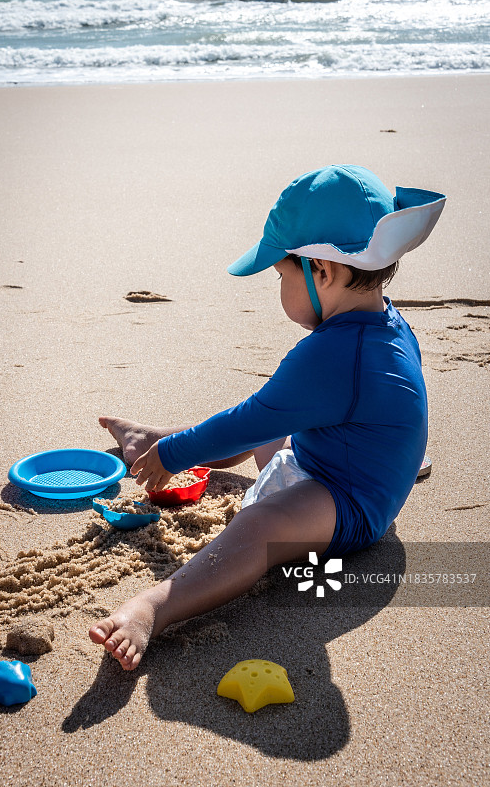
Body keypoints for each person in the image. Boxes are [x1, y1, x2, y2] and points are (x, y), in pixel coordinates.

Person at [89, 164, 446, 671]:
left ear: (322, 271)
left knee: (261, 525)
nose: (279, 288)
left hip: (351, 504)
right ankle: (153, 436)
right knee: (273, 422)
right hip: (346, 463)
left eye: (281, 276)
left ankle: (154, 607)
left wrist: (174, 456)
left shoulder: (334, 356)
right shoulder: (386, 319)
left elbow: (248, 421)